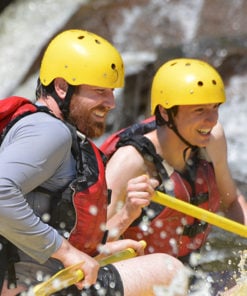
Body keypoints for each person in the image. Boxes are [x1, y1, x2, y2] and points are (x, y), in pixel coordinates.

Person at [0, 30, 189, 296]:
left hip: (37, 279)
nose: (111, 103)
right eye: (99, 91)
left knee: (128, 257)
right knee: (169, 271)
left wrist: (120, 222)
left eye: (111, 91)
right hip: (32, 289)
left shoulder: (41, 128)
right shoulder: (49, 132)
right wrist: (66, 253)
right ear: (62, 87)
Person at [100, 58, 247, 293]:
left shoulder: (212, 140)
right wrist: (127, 213)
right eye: (199, 110)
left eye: (215, 107)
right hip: (141, 282)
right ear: (165, 113)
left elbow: (231, 201)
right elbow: (90, 247)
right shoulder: (131, 162)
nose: (211, 120)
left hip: (187, 279)